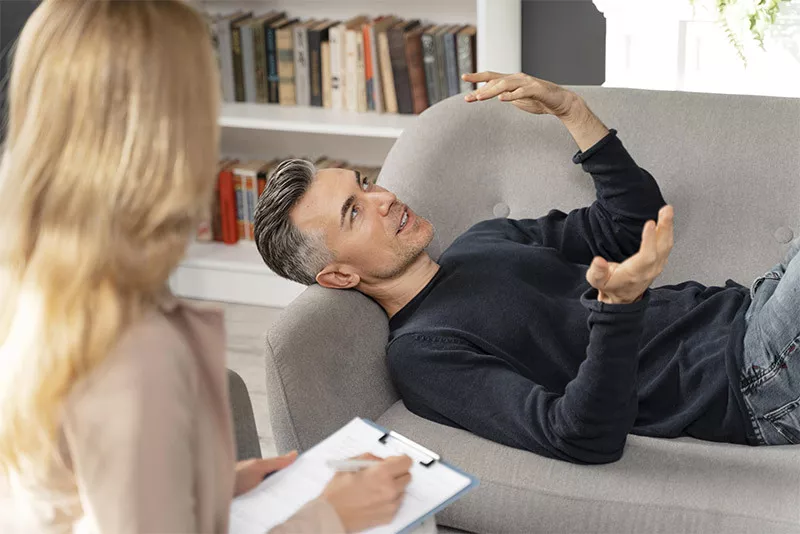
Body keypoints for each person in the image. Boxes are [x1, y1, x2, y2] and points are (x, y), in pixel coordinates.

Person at [0, 1, 412, 532]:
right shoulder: (134, 349)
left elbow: (81, 495)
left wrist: (200, 488)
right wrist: (330, 516)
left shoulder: (33, 283)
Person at [254, 71, 800, 465]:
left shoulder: (483, 241)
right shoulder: (422, 354)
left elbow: (632, 223)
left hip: (755, 304)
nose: (384, 199)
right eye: (354, 211)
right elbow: (580, 437)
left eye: (366, 184)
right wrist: (618, 307)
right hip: (753, 377)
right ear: (339, 276)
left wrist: (572, 111)